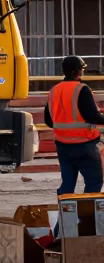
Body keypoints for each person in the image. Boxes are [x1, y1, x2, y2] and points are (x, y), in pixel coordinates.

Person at [44, 55, 104, 197]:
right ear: (75, 72)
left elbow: (49, 120)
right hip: (83, 145)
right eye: (81, 70)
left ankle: (64, 218)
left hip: (63, 146)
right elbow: (92, 117)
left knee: (67, 185)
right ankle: (87, 217)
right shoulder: (81, 89)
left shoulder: (54, 90)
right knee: (94, 182)